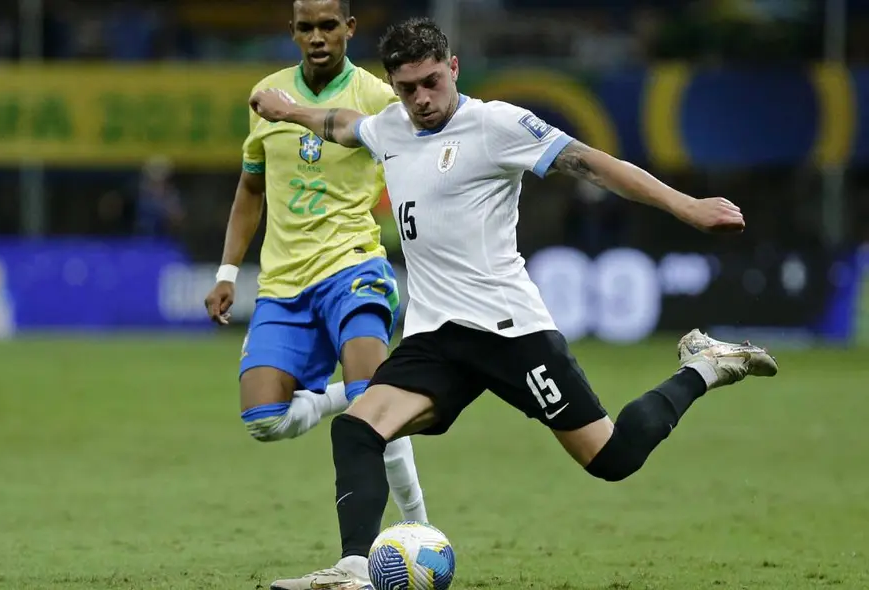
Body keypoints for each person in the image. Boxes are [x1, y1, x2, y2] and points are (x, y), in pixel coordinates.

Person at [249, 16, 779, 589]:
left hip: (510, 333)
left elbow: (594, 164)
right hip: (435, 339)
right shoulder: (392, 128)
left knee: (613, 460)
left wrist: (686, 206)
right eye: (407, 89)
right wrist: (289, 111)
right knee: (357, 428)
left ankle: (705, 364)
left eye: (432, 82)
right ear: (393, 85)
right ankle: (354, 571)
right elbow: (345, 124)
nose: (422, 99)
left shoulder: (496, 125)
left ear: (453, 69)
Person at [203, 0, 429, 579]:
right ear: (293, 32)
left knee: (375, 404)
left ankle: (413, 532)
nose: (318, 36)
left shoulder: (379, 98)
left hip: (353, 269)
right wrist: (228, 273)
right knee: (264, 420)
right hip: (283, 284)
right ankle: (344, 396)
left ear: (350, 29)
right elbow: (250, 189)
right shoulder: (264, 94)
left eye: (330, 25)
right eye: (307, 27)